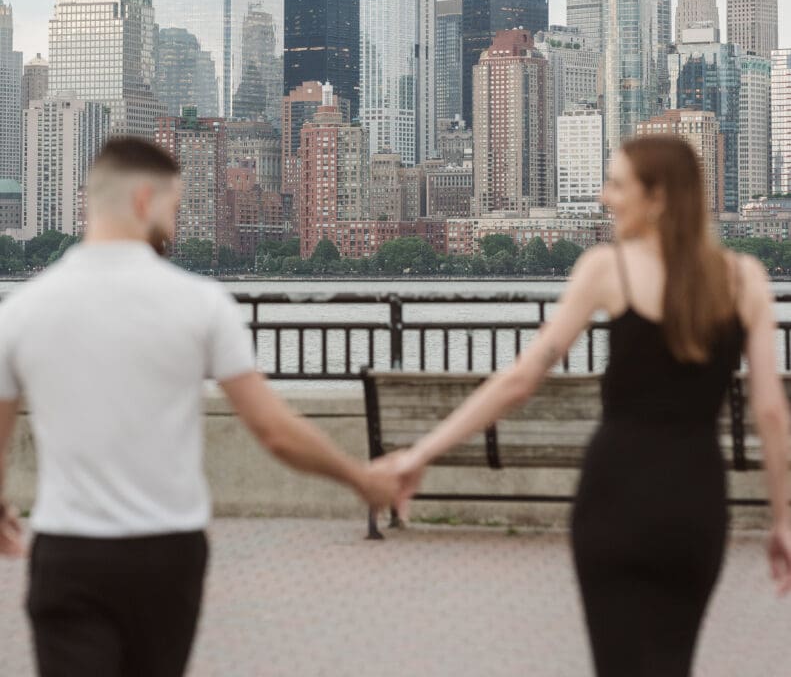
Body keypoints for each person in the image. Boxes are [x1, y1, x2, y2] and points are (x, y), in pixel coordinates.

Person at [392, 135, 791, 676]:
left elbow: (520, 380)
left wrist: (419, 454)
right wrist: (783, 518)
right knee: (674, 663)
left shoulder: (606, 269)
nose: (605, 198)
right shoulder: (746, 279)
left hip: (614, 501)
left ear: (657, 199)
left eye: (617, 185)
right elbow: (770, 411)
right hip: (694, 506)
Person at [0, 137, 399, 677]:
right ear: (144, 200)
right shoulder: (201, 304)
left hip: (68, 552)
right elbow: (274, 430)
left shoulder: (21, 312)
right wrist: (360, 479)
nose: (175, 222)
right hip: (167, 553)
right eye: (174, 207)